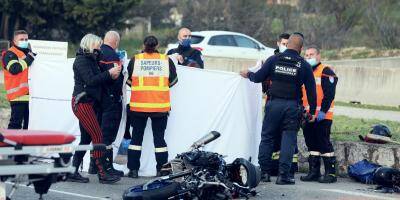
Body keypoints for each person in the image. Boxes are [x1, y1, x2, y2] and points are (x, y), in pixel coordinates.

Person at [240, 33, 317, 185]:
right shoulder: (304, 65)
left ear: (287, 45)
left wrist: (247, 74)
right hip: (292, 107)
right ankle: (284, 176)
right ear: (300, 48)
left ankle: (264, 173)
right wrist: (312, 112)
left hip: (273, 104)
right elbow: (311, 91)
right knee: (288, 139)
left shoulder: (274, 59)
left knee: (267, 138)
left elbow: (258, 77)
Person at [67, 33, 122, 184]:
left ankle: (72, 171)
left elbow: (100, 82)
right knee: (98, 137)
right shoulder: (81, 60)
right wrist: (109, 73)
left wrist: (112, 76)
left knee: (86, 139)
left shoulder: (92, 59)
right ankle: (102, 173)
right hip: (82, 103)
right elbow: (91, 81)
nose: (100, 48)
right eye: (97, 45)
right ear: (90, 45)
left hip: (88, 102)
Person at [126, 35, 178, 178]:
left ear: (144, 44)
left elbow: (129, 81)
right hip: (160, 107)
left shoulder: (136, 59)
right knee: (159, 140)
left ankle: (133, 170)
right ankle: (161, 170)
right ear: (157, 45)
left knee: (136, 139)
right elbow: (173, 81)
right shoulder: (165, 60)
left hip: (138, 107)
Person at [87, 30, 124, 177]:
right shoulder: (112, 56)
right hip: (110, 101)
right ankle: (106, 166)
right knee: (107, 135)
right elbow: (115, 79)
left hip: (96, 100)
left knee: (96, 134)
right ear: (116, 42)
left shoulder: (95, 53)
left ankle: (93, 165)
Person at [300, 45, 338, 183]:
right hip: (308, 116)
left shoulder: (326, 71)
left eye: (312, 54)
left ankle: (331, 173)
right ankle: (314, 172)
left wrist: (322, 111)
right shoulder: (305, 72)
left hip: (323, 116)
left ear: (318, 56)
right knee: (312, 145)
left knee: (324, 144)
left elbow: (329, 94)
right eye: (307, 55)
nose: (309, 57)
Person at [2, 30, 35, 130]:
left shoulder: (27, 53)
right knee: (15, 124)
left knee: (29, 125)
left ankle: (24, 145)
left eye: (26, 39)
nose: (24, 41)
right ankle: (9, 145)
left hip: (29, 95)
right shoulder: (10, 54)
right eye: (21, 39)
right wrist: (29, 59)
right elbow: (14, 69)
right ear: (14, 41)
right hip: (18, 95)